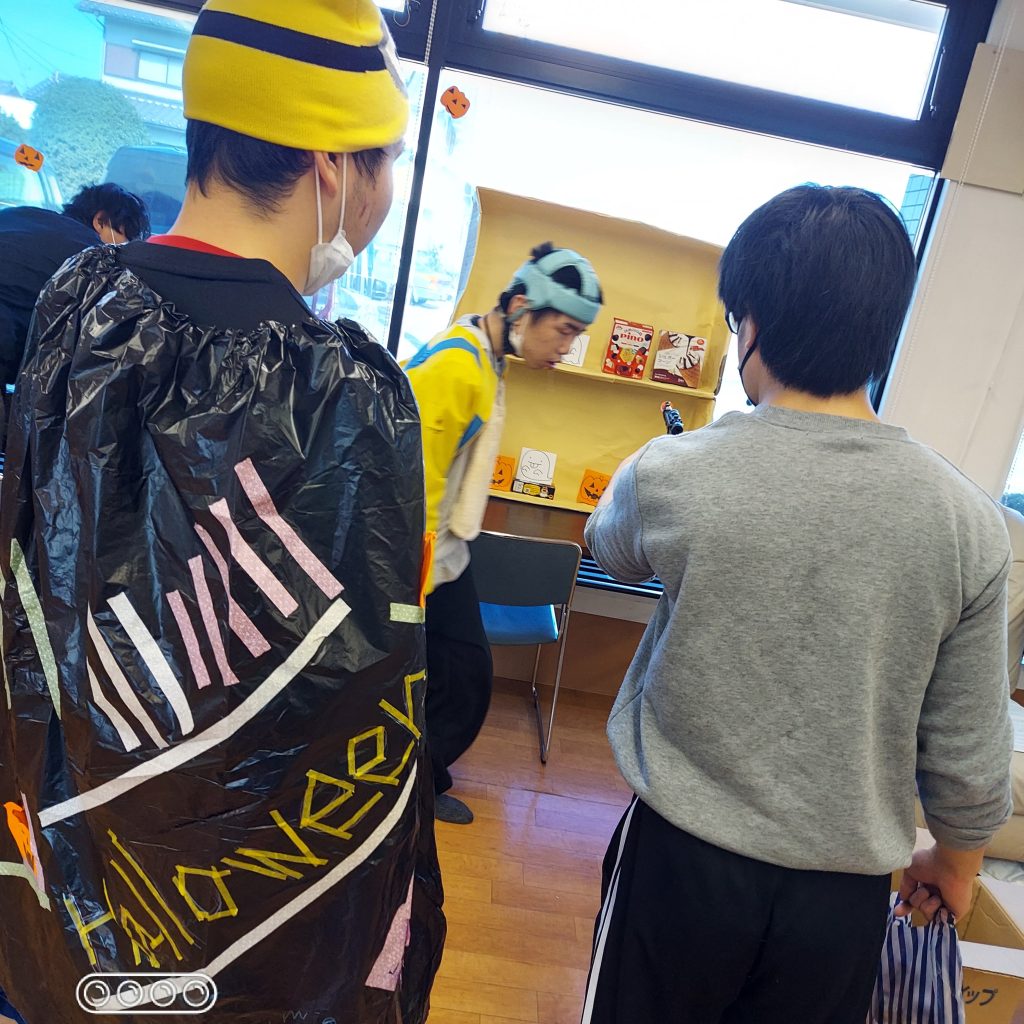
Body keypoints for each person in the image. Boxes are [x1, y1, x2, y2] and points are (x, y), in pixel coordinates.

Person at [0, 2, 444, 1022]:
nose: (385, 192)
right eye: (387, 160)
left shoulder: (74, 304)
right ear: (333, 163)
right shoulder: (351, 398)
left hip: (59, 898)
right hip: (241, 938)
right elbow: (360, 726)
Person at [581, 185, 1013, 1024]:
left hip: (679, 864)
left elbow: (612, 549)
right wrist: (957, 864)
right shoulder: (967, 521)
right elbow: (970, 752)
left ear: (752, 324)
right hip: (842, 896)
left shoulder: (674, 472)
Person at [404, 243, 603, 824]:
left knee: (462, 675)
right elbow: (414, 477)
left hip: (445, 550)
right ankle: (411, 790)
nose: (566, 349)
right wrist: (413, 584)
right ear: (520, 307)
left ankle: (418, 781)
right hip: (418, 555)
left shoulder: (484, 354)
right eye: (563, 332)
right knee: (462, 676)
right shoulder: (457, 366)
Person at [0, 182, 149, 441]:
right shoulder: (92, 256)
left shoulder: (16, 215)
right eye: (125, 238)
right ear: (100, 220)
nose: (123, 249)